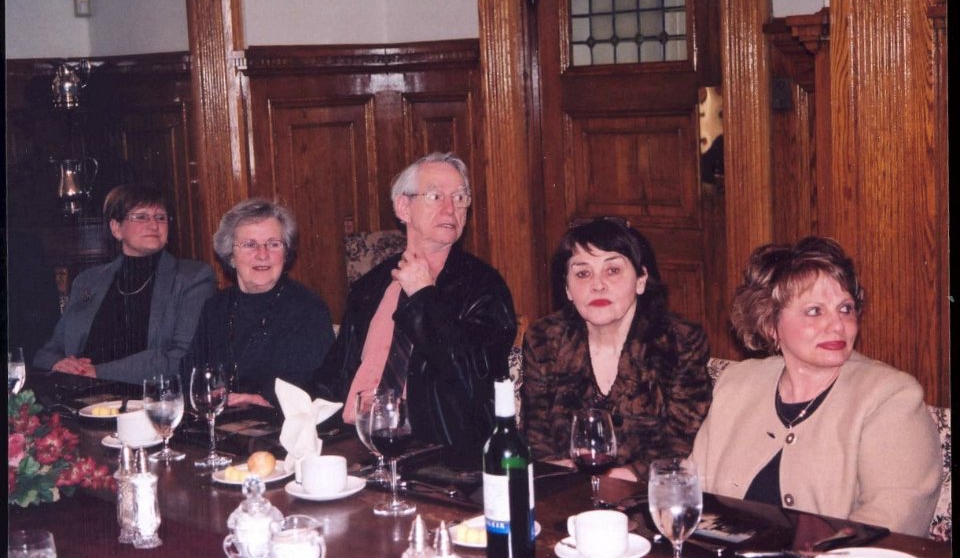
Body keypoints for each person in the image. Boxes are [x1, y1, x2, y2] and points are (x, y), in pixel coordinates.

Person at [691, 237, 941, 536]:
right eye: (815, 311)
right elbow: (691, 490)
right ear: (771, 325)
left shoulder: (890, 396)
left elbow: (891, 521)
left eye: (845, 309)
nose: (837, 325)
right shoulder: (737, 383)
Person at [312, 152, 517, 464]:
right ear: (403, 207)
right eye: (435, 196)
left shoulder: (483, 286)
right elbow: (334, 376)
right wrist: (274, 403)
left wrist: (423, 295)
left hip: (435, 453)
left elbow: (471, 377)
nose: (450, 208)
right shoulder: (370, 286)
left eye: (460, 198)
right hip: (352, 441)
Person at [522, 217, 711, 481]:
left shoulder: (678, 341)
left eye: (612, 270)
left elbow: (682, 438)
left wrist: (625, 476)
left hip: (645, 491)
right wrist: (560, 473)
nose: (597, 284)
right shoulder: (544, 339)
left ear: (641, 279)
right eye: (582, 273)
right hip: (566, 488)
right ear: (567, 288)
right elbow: (535, 435)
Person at [33, 183, 216, 383]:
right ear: (116, 228)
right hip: (81, 391)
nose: (154, 225)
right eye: (141, 217)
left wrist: (97, 371)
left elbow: (181, 356)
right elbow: (48, 352)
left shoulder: (193, 278)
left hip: (148, 395)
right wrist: (59, 364)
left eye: (160, 217)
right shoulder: (88, 281)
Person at [185, 198, 335, 408]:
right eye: (249, 245)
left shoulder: (308, 309)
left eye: (273, 244)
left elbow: (316, 386)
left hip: (278, 420)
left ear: (286, 253)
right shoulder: (215, 308)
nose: (263, 255)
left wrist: (263, 400)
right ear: (231, 255)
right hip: (221, 418)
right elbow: (192, 375)